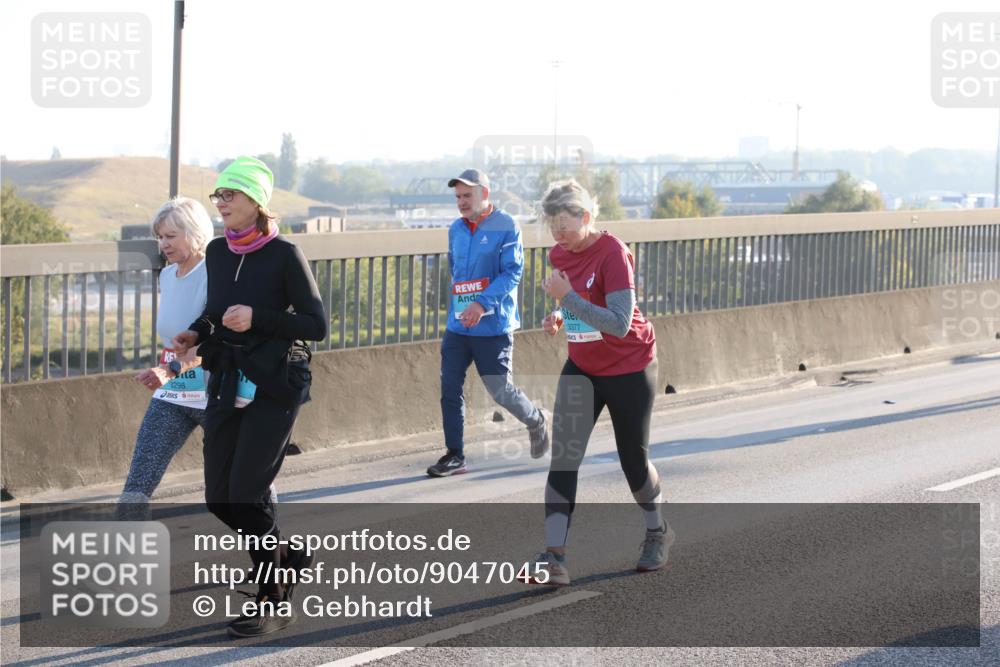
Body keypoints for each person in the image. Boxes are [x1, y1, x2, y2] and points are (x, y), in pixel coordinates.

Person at [172, 156, 327, 638]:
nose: (220, 204)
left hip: (275, 383)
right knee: (220, 497)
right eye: (217, 195)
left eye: (230, 195)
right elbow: (217, 312)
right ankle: (287, 559)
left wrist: (259, 317)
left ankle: (272, 597)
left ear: (256, 202)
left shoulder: (285, 254)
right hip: (226, 379)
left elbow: (315, 325)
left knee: (247, 492)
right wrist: (195, 334)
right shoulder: (218, 251)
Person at [533, 179, 674, 586]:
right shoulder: (558, 252)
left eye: (565, 224)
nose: (558, 234)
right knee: (564, 458)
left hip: (629, 365)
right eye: (552, 225)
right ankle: (554, 557)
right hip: (583, 366)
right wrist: (560, 316)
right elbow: (575, 301)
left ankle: (657, 532)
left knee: (632, 460)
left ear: (587, 217)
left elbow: (617, 323)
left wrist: (568, 299)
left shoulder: (613, 253)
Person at [118, 198, 278, 514]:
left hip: (218, 393)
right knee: (137, 485)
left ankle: (277, 552)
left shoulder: (216, 273)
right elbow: (174, 339)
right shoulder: (166, 276)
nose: (163, 244)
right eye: (160, 237)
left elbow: (219, 340)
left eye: (171, 236)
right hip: (176, 393)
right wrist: (168, 368)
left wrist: (172, 368)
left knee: (249, 487)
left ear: (195, 232)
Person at [427, 168, 548, 477]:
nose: (462, 202)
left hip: (493, 326)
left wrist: (482, 303)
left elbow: (512, 273)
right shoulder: (455, 228)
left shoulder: (506, 226)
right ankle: (455, 454)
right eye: (457, 197)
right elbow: (456, 271)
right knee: (449, 387)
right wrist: (465, 306)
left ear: (484, 194)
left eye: (467, 195)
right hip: (458, 326)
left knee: (499, 390)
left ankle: (535, 420)